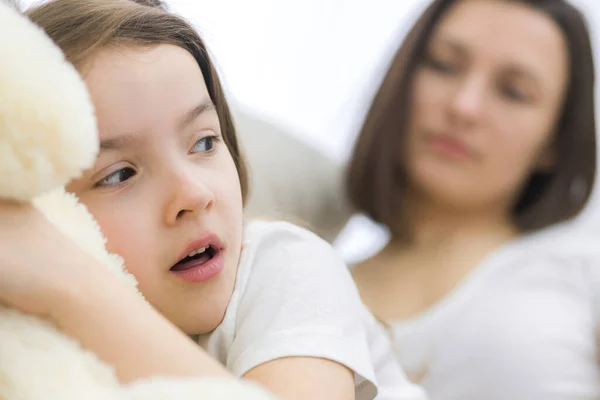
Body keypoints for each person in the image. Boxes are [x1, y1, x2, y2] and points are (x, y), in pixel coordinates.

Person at [0, 0, 426, 399]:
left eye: (204, 143)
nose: (194, 194)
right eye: (120, 174)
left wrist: (69, 284)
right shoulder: (39, 348)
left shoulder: (285, 265)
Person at [347, 0, 598, 399]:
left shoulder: (584, 271)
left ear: (554, 141)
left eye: (514, 92)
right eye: (444, 65)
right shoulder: (303, 281)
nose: (464, 106)